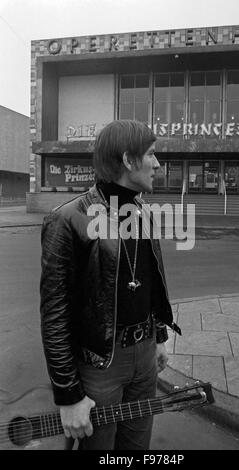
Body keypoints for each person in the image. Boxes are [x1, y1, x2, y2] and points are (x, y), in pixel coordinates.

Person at [40, 119, 181, 450]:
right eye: (151, 155)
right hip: (100, 366)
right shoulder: (68, 219)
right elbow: (54, 315)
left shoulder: (143, 213)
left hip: (144, 358)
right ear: (129, 160)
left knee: (136, 449)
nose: (158, 164)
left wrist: (159, 337)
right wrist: (69, 395)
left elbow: (151, 285)